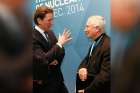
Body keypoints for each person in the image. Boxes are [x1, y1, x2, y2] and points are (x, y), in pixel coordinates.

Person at [33, 6, 72, 93]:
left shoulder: (50, 33)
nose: (52, 23)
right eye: (49, 20)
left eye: (52, 19)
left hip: (58, 81)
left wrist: (54, 59)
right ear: (39, 20)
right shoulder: (32, 37)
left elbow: (61, 52)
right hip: (44, 86)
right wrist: (59, 44)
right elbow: (42, 60)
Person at [76, 15, 110, 93]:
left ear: (97, 29)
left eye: (87, 27)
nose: (85, 30)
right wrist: (82, 68)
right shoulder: (95, 44)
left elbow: (105, 76)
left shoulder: (108, 46)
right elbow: (86, 59)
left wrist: (87, 91)